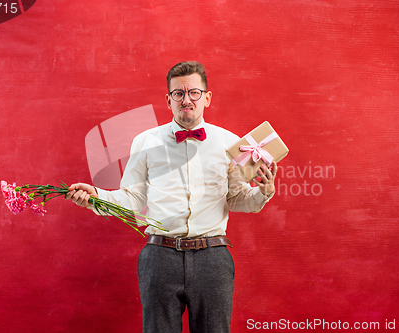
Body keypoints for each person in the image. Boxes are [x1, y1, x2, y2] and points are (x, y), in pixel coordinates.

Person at [65, 61, 278, 333]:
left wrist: (263, 192)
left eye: (194, 93)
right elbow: (132, 198)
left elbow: (236, 198)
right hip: (159, 258)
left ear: (207, 98)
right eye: (178, 93)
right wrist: (96, 197)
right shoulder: (144, 142)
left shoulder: (231, 144)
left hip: (213, 258)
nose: (186, 99)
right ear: (168, 100)